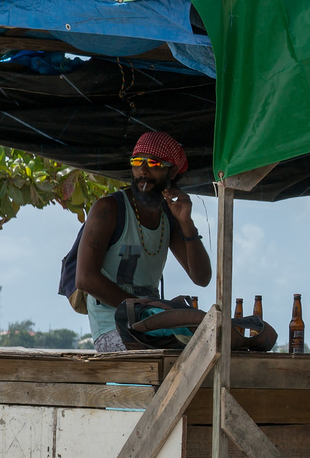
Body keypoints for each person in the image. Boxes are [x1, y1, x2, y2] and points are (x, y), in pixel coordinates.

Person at [77, 131, 212, 353]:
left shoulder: (170, 216)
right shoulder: (109, 209)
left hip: (151, 326)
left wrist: (186, 223)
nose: (143, 170)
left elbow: (202, 277)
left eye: (154, 163)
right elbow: (85, 278)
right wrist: (144, 308)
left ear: (173, 171)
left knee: (206, 351)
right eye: (137, 162)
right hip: (114, 329)